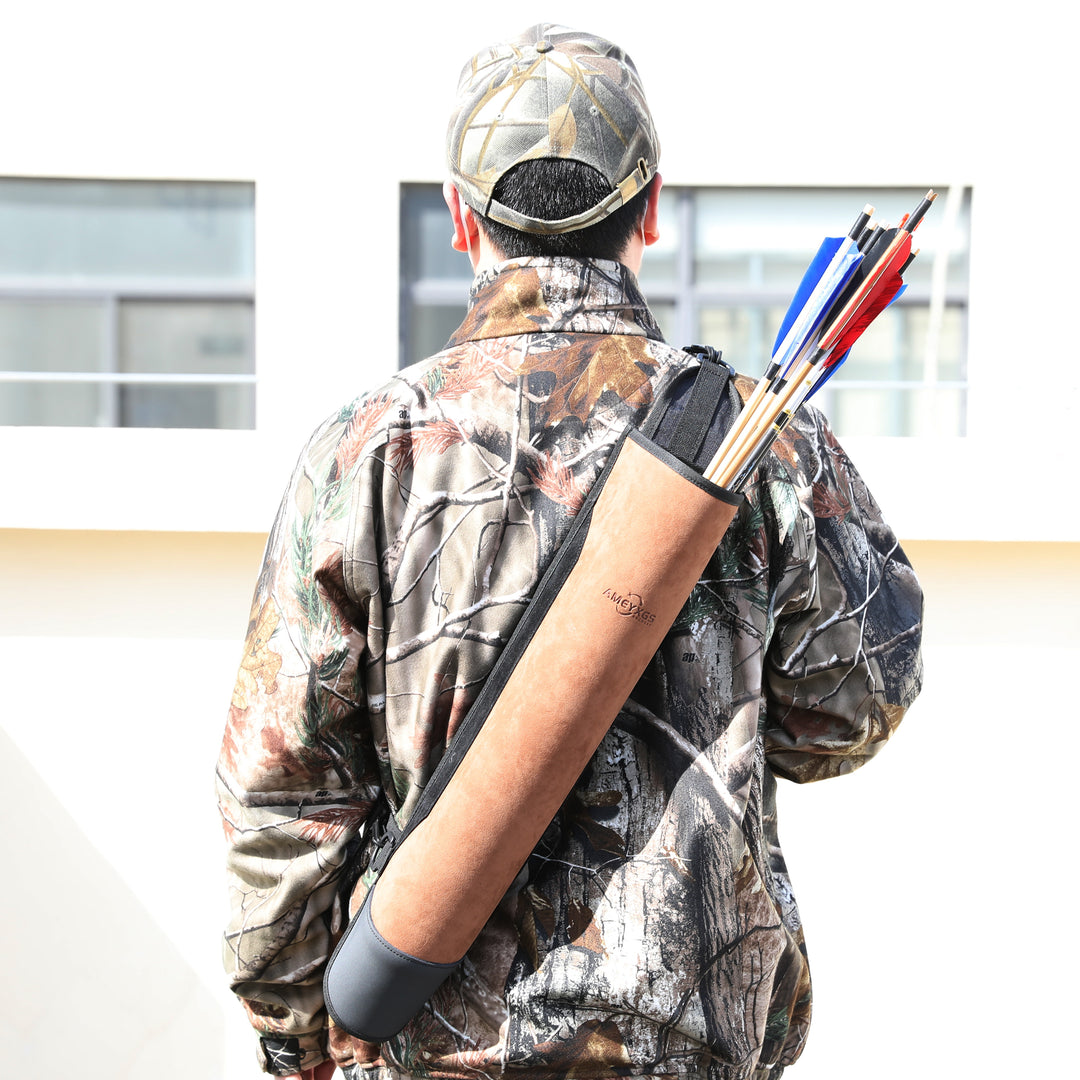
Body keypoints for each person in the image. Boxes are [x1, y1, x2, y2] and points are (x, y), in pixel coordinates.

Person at [217, 23, 923, 1080]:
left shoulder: (367, 453)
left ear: (461, 217)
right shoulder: (758, 438)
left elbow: (282, 797)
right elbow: (847, 715)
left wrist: (302, 1045)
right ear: (650, 206)